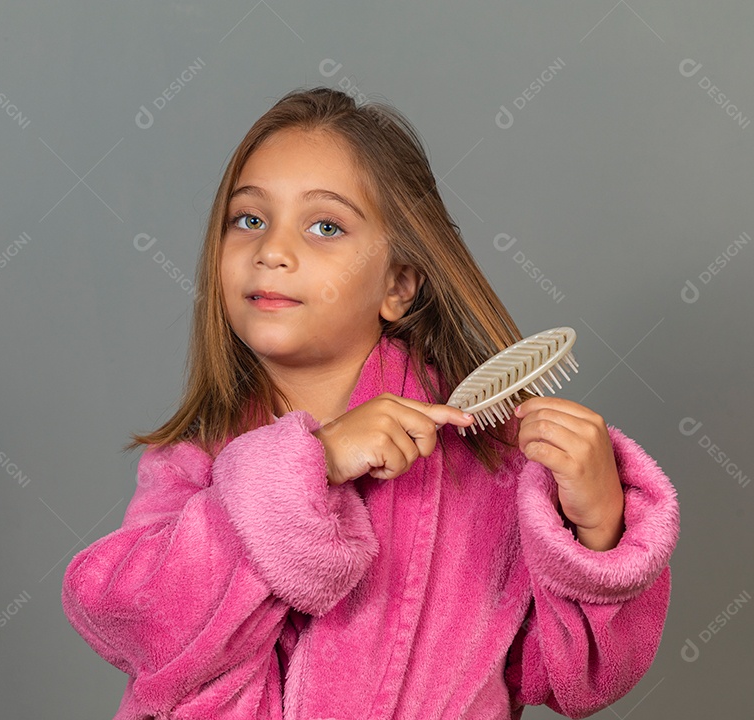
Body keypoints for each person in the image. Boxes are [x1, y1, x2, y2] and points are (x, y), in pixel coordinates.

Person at [62, 86, 680, 719]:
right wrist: (311, 466)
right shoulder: (197, 460)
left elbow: (573, 681)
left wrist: (600, 527)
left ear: (398, 284)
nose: (271, 251)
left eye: (325, 226)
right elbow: (128, 617)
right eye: (249, 219)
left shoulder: (489, 471)